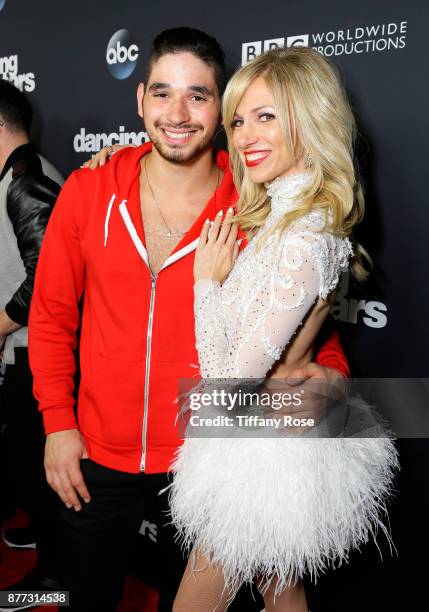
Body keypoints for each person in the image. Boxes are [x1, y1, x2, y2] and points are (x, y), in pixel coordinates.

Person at [29, 29, 350, 612]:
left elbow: (306, 317)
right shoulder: (89, 189)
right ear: (139, 101)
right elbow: (51, 317)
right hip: (100, 451)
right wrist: (57, 423)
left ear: (220, 108)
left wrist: (331, 373)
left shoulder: (254, 198)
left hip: (207, 452)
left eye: (198, 96)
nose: (177, 114)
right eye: (162, 93)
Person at [167, 47, 400, 612]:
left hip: (258, 449)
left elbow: (227, 386)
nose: (245, 135)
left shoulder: (304, 236)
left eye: (266, 116)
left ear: (309, 117)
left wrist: (205, 283)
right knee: (281, 590)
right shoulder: (286, 218)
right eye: (239, 120)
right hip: (265, 440)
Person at [0, 79, 63, 606]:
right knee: (28, 468)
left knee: (35, 470)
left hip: (35, 355)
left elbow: (46, 276)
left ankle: (53, 578)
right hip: (24, 352)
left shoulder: (26, 179)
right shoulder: (18, 174)